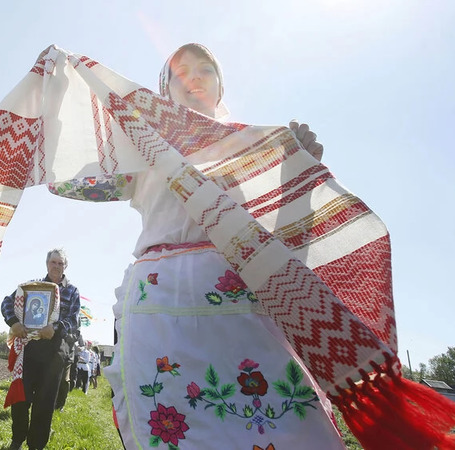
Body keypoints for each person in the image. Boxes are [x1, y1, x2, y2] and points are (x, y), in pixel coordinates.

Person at [49, 43, 344, 449]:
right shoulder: (142, 148)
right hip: (160, 309)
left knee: (282, 428)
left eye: (205, 68)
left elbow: (294, 233)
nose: (194, 76)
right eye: (179, 71)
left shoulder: (252, 148)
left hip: (244, 309)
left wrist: (299, 171)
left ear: (220, 88)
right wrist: (56, 122)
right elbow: (65, 182)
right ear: (164, 91)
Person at [1, 248, 81, 450]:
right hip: (30, 347)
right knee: (21, 396)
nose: (56, 266)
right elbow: (7, 302)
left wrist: (55, 328)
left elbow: (74, 320)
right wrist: (13, 322)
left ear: (65, 267)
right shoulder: (33, 287)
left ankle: (36, 445)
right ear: (47, 264)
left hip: (55, 351)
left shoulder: (72, 291)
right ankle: (17, 439)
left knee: (45, 402)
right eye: (53, 262)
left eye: (60, 263)